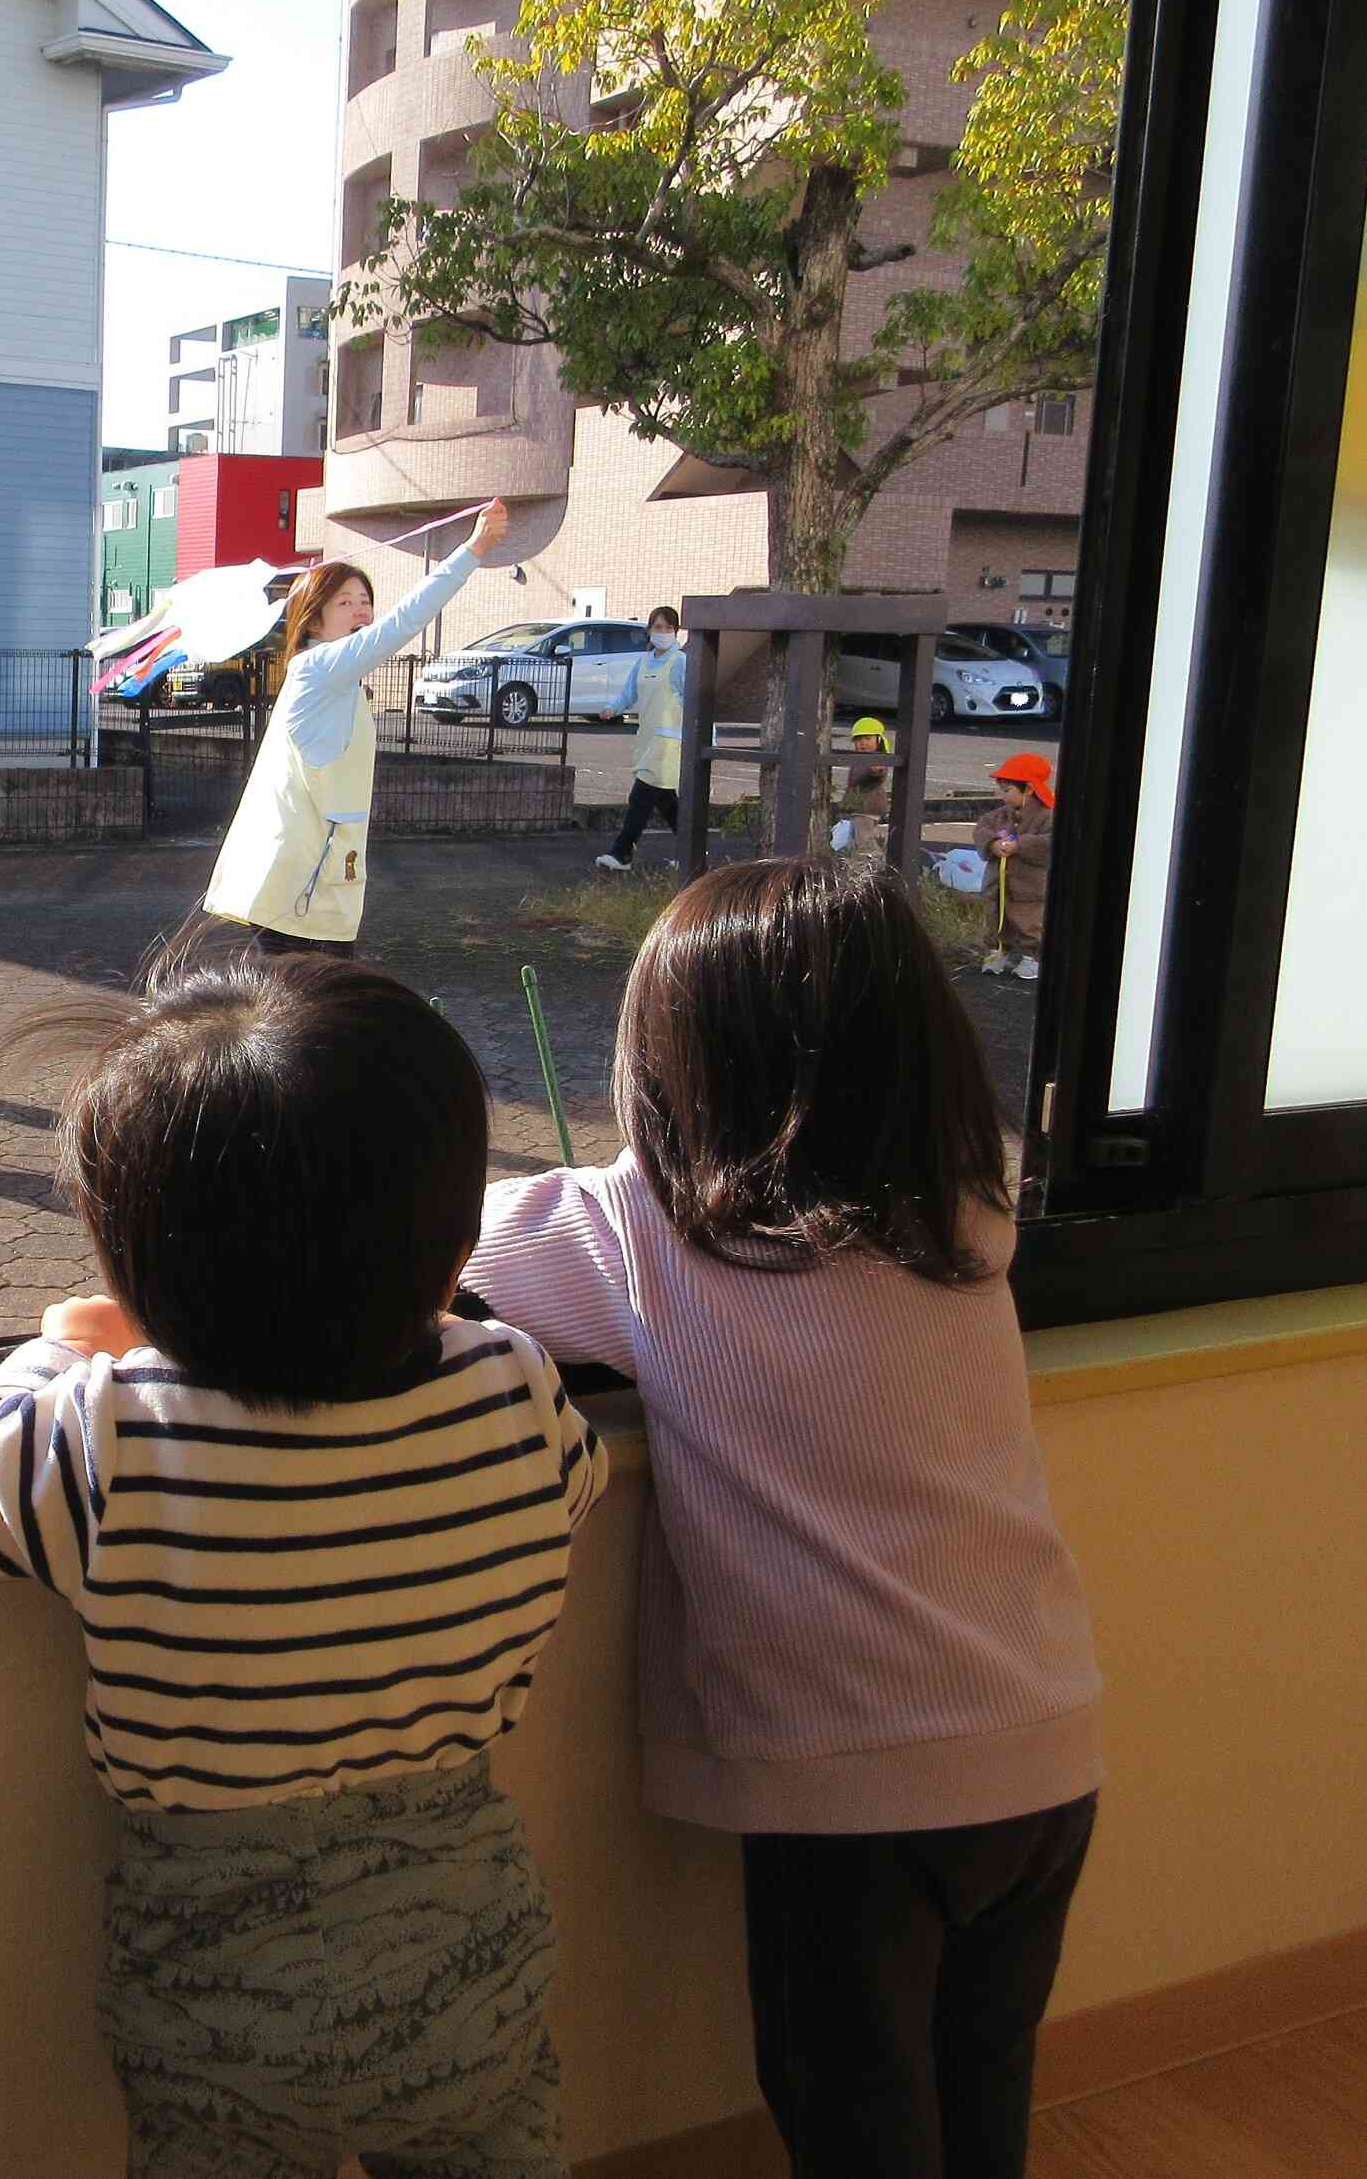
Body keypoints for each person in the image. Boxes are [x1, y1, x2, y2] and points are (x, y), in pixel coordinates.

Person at [459, 859, 1101, 2179]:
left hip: (855, 1785)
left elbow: (425, 1242)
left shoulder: (645, 1231)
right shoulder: (967, 1217)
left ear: (673, 1075)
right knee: (981, 2101)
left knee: (858, 2124)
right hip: (1043, 1742)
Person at [0, 956, 608, 2179]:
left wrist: (60, 1344)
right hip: (470, 1945)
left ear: (141, 1267)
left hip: (216, 1992)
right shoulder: (514, 1385)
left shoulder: (105, 1431)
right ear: (451, 1241)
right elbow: (575, 1483)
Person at [203, 497, 510, 955]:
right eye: (344, 602)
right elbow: (402, 624)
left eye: (365, 602)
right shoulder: (319, 667)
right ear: (314, 616)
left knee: (310, 1008)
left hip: (308, 878)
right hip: (303, 884)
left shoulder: (330, 677)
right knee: (312, 1010)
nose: (361, 612)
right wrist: (473, 549)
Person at [592, 605, 689, 872]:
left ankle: (622, 853)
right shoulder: (644, 661)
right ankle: (693, 852)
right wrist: (612, 708)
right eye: (658, 627)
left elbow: (695, 701)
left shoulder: (680, 662)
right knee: (666, 801)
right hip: (647, 739)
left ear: (676, 632)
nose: (663, 632)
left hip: (669, 743)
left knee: (640, 797)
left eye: (669, 628)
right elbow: (629, 693)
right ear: (649, 630)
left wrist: (707, 736)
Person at [974, 751, 1058, 981]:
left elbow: (1051, 843)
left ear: (1029, 789)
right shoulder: (1002, 814)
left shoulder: (1047, 816)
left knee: (1028, 921)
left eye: (1007, 791)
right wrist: (992, 843)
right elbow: (982, 828)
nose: (1003, 797)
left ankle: (1031, 957)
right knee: (996, 916)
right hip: (998, 884)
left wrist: (1019, 845)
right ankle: (999, 951)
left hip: (1028, 886)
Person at [833, 717, 894, 854]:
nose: (863, 743)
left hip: (867, 808)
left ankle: (873, 862)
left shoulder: (876, 759)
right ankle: (867, 857)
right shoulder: (860, 758)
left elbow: (878, 773)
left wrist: (875, 770)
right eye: (858, 740)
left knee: (864, 839)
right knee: (857, 838)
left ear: (878, 740)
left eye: (867, 739)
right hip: (858, 808)